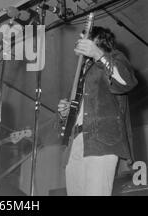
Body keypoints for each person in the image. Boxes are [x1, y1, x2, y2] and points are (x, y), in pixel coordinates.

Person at [58, 26, 137, 196]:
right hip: (76, 142)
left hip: (101, 140)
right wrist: (67, 113)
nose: (79, 41)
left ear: (98, 40)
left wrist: (98, 54)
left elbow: (127, 82)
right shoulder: (80, 72)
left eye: (84, 37)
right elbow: (78, 113)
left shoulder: (114, 57)